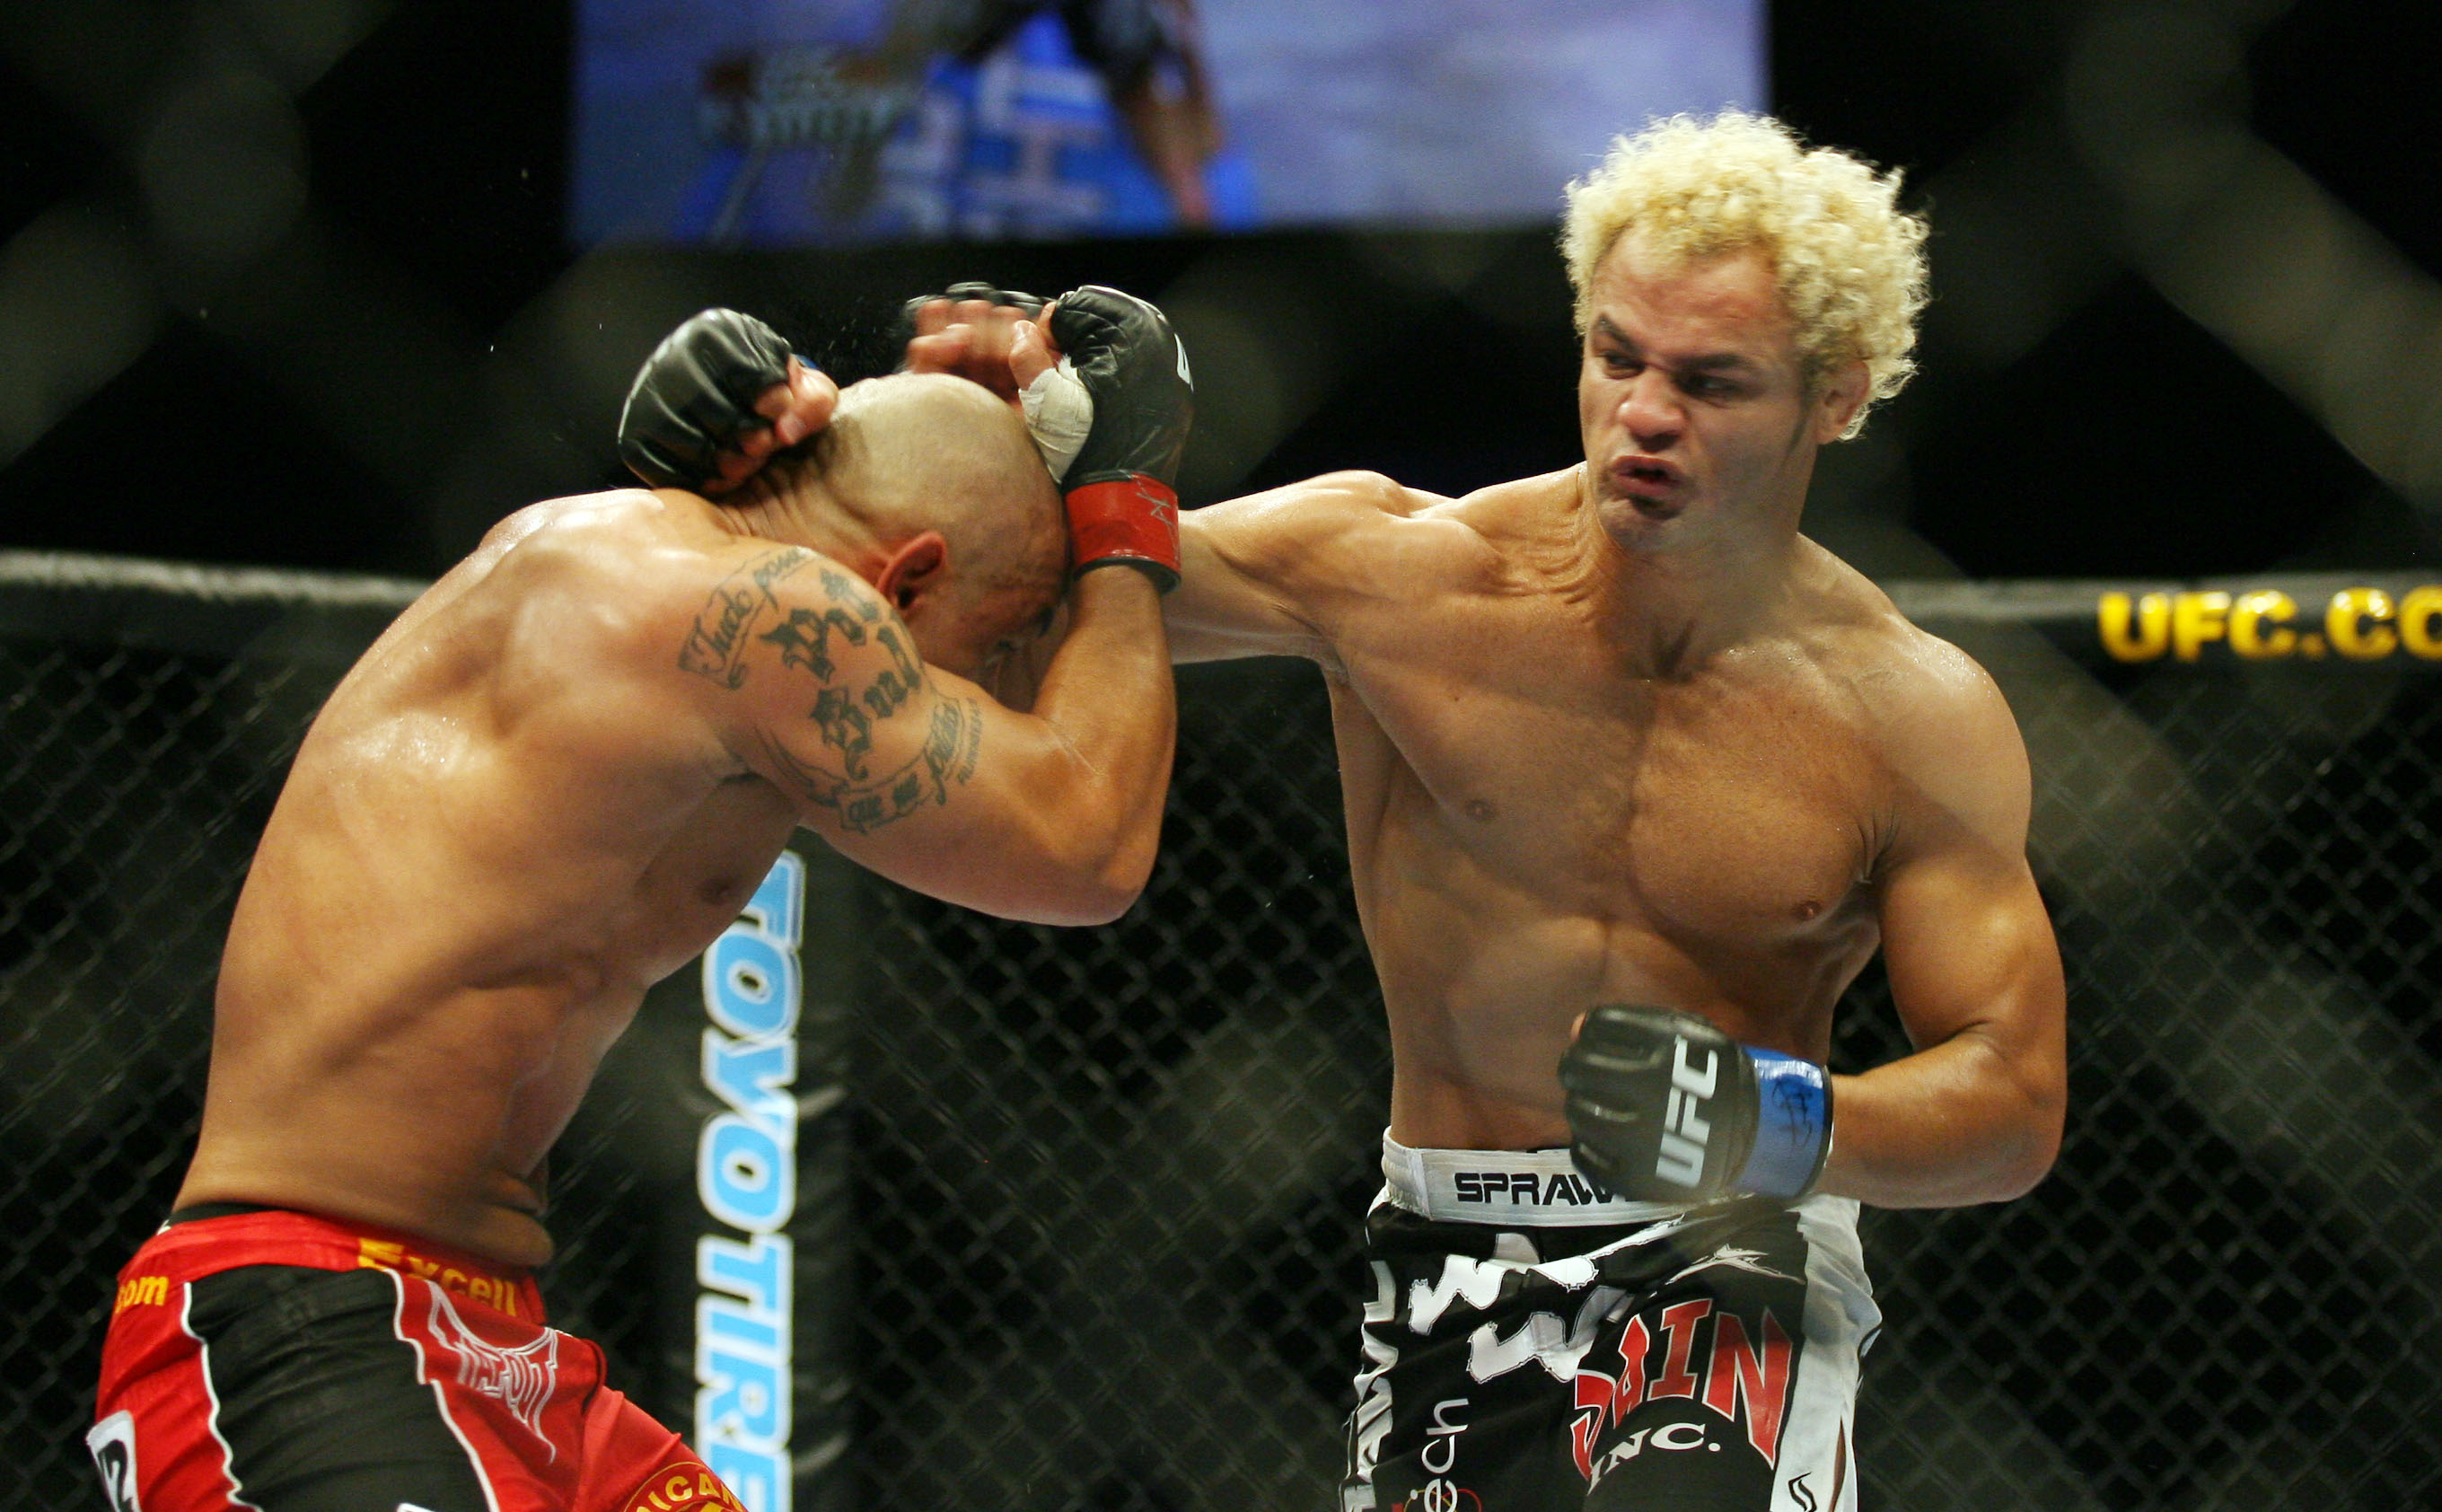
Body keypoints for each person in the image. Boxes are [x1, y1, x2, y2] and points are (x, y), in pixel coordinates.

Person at [622, 111, 2068, 1512]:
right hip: (1444, 1250)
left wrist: (1769, 1122)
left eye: (1712, 380)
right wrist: (783, 477)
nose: (1644, 415)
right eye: (1616, 356)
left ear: (1839, 392)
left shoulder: (1906, 713)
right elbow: (995, 601)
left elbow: (2010, 1102)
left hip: (1730, 1250)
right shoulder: (1397, 571)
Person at [87, 288, 1192, 1512]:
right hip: (304, 1332)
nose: (981, 699)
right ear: (910, 580)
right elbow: (1085, 845)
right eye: (989, 657)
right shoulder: (770, 615)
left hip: (483, 1348)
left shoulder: (641, 565)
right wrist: (1126, 510)